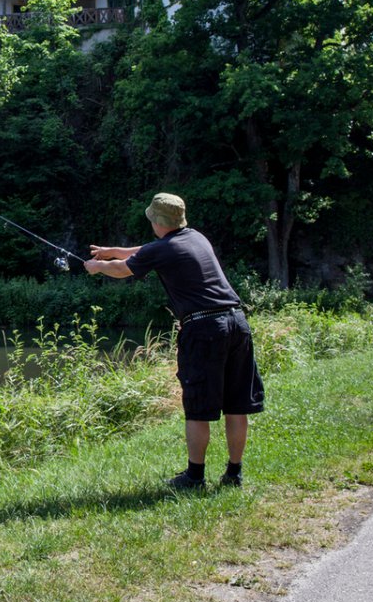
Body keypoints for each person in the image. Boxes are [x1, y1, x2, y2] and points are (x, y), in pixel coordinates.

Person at [84, 193, 264, 490]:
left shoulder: (164, 248)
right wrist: (112, 250)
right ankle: (234, 474)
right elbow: (148, 250)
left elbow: (124, 269)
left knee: (197, 406)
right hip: (237, 323)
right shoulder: (195, 238)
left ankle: (194, 478)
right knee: (236, 405)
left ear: (157, 221)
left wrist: (99, 266)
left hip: (205, 329)